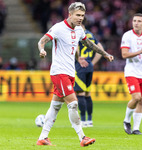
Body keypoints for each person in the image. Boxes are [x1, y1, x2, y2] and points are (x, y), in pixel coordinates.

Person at [36, 2, 114, 147]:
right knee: (73, 104)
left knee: (55, 106)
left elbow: (89, 44)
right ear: (69, 14)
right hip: (59, 72)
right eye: (77, 15)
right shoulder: (59, 28)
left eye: (82, 16)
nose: (80, 18)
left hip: (71, 72)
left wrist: (104, 54)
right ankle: (82, 137)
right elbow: (42, 41)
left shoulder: (79, 30)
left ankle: (43, 137)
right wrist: (42, 50)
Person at [74, 21, 103, 128]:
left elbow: (76, 48)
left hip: (80, 66)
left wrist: (78, 59)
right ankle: (89, 120)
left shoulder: (78, 35)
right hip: (89, 67)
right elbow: (100, 49)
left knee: (80, 94)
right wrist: (92, 63)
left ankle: (83, 121)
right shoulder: (91, 34)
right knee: (87, 94)